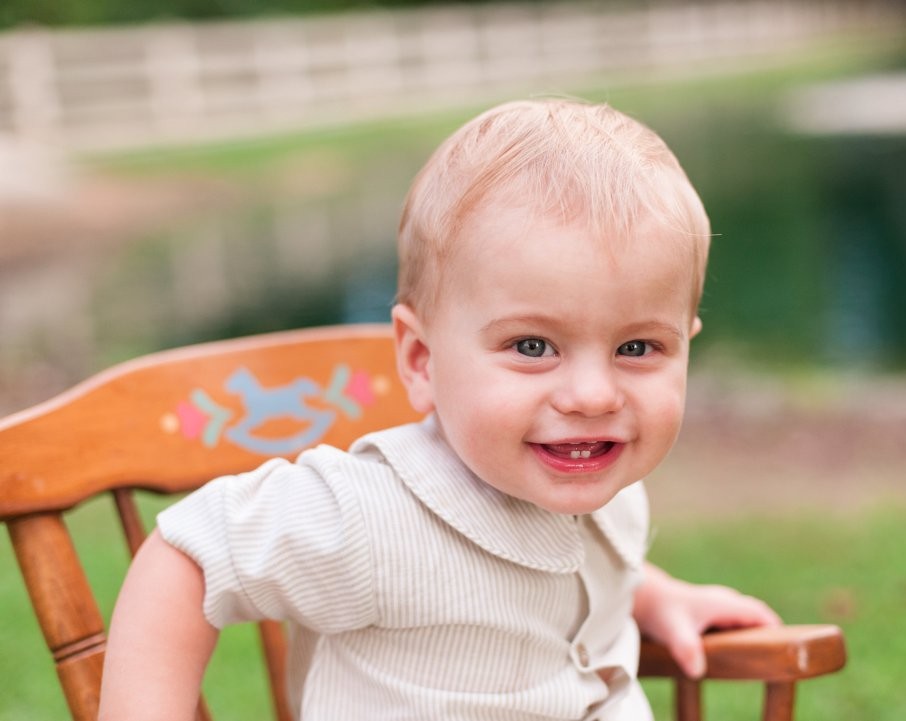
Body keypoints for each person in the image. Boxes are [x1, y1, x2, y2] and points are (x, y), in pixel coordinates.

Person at [99, 98, 780, 720]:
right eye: (533, 346)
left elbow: (560, 571)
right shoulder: (371, 515)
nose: (594, 395)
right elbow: (189, 558)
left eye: (636, 347)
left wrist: (653, 597)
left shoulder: (607, 485)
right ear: (422, 360)